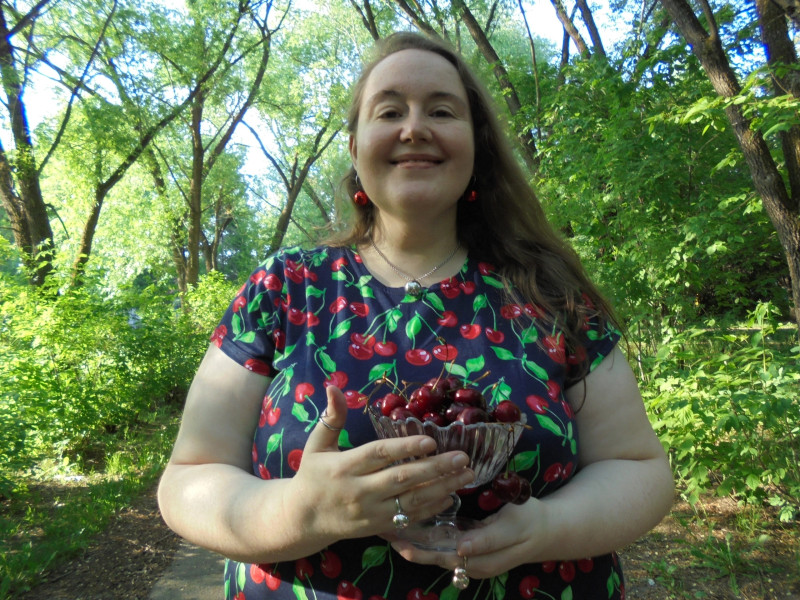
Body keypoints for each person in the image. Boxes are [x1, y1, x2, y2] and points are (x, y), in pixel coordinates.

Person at [157, 31, 674, 600]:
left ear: (476, 145)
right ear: (354, 147)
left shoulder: (549, 292)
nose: (414, 128)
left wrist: (546, 529)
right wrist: (302, 511)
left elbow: (639, 468)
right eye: (389, 111)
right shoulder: (283, 289)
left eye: (441, 110)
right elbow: (188, 480)